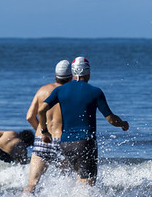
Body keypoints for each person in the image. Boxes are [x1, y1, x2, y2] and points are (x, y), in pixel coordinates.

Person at [37, 57, 129, 186]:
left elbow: (41, 110)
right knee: (89, 180)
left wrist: (44, 131)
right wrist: (123, 124)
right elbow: (110, 119)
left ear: (73, 73)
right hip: (84, 141)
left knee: (80, 176)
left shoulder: (59, 90)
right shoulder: (95, 92)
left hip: (65, 143)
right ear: (88, 72)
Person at [23, 59, 72, 194]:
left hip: (42, 140)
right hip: (63, 140)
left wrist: (42, 131)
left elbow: (29, 117)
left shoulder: (42, 90)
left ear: (55, 76)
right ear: (71, 77)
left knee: (32, 183)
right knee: (67, 181)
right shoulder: (71, 93)